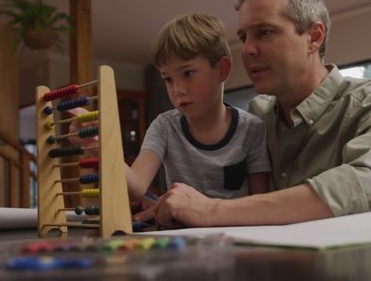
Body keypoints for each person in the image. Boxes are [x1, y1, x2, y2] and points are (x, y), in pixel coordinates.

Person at [138, 0, 371, 227]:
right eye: (243, 37)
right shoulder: (257, 118)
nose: (247, 50)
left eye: (265, 32)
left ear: (314, 37)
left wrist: (211, 210)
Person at [72, 13, 271, 203]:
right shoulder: (164, 127)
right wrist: (98, 145)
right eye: (168, 79)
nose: (178, 90)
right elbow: (136, 187)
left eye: (188, 73)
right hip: (180, 238)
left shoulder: (252, 129)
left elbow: (260, 204)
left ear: (222, 69)